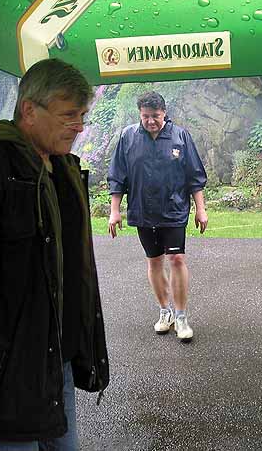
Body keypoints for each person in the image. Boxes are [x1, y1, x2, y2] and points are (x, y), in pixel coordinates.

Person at [0, 58, 109, 450]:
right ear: (29, 110)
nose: (79, 126)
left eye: (82, 115)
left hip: (56, 361)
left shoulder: (64, 167)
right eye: (68, 115)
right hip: (4, 375)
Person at [108, 91, 207, 342]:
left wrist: (201, 208)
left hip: (173, 209)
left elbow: (194, 175)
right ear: (139, 114)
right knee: (154, 261)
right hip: (143, 210)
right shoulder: (128, 137)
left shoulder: (180, 136)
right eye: (145, 116)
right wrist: (114, 211)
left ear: (164, 113)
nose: (150, 121)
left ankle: (181, 317)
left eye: (155, 116)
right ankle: (166, 312)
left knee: (176, 259)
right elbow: (118, 176)